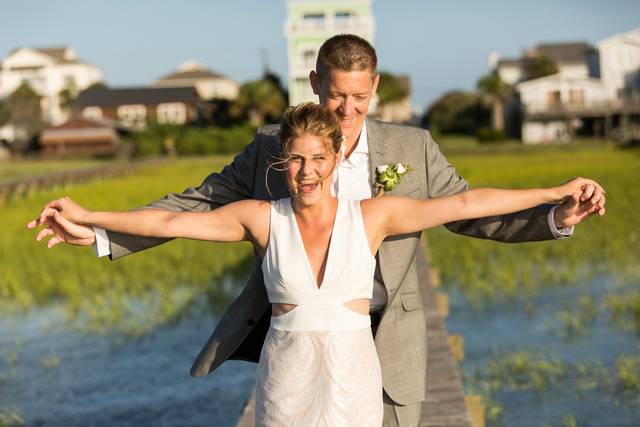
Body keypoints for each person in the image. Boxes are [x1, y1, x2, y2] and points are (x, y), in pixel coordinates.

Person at [28, 35, 606, 426]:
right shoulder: (268, 150)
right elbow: (189, 208)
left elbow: (469, 206)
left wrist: (555, 209)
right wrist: (99, 228)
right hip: (294, 343)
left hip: (388, 344)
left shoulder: (412, 149)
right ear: (313, 82)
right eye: (335, 95)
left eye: (359, 97)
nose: (348, 110)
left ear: (375, 87)